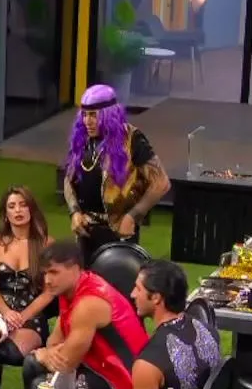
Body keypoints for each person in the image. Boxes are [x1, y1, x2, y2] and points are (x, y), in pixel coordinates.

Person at [21, 239, 149, 389]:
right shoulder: (70, 290)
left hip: (121, 381)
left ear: (75, 269)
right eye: (45, 274)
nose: (47, 280)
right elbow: (54, 342)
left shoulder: (88, 304)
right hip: (97, 364)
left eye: (54, 272)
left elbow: (66, 364)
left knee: (40, 385)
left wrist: (44, 355)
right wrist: (48, 353)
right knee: (31, 364)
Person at [59, 84, 171, 266]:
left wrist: (132, 216)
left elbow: (161, 183)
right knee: (86, 280)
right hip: (86, 230)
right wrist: (75, 212)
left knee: (116, 281)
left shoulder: (132, 139)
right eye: (84, 114)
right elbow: (68, 179)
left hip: (120, 231)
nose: (87, 121)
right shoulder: (82, 138)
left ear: (109, 114)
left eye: (93, 115)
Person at [0, 186, 55, 362]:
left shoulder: (46, 244)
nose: (18, 210)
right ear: (5, 214)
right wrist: (6, 312)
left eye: (23, 205)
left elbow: (49, 292)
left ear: (31, 209)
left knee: (13, 352)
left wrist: (22, 317)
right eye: (12, 206)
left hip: (30, 314)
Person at [128, 260, 223, 389]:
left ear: (156, 297)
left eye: (138, 289)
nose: (132, 294)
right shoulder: (210, 332)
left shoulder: (147, 365)